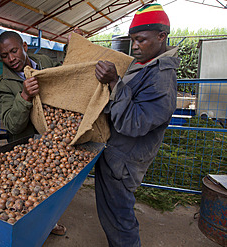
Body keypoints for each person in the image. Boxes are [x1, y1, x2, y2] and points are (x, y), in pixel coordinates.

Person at [94, 4, 180, 246]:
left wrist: (114, 82)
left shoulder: (161, 78)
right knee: (112, 214)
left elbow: (135, 123)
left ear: (162, 36)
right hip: (116, 155)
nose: (135, 47)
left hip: (125, 163)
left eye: (141, 40)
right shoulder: (146, 65)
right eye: (133, 40)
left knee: (121, 221)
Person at [0, 31, 66, 236]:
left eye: (14, 51)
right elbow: (11, 125)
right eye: (5, 55)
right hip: (25, 147)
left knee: (51, 188)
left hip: (52, 141)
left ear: (24, 46)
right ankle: (28, 232)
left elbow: (67, 74)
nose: (11, 59)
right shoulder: (4, 85)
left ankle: (49, 223)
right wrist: (24, 96)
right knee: (28, 191)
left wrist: (72, 47)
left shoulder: (43, 61)